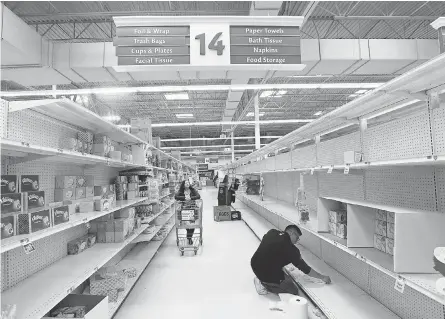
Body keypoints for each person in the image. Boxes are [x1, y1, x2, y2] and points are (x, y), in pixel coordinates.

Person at [251, 224, 331, 295]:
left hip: (255, 264)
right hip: (266, 274)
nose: (297, 241)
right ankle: (264, 284)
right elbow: (306, 269)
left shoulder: (272, 232)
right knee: (293, 290)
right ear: (291, 232)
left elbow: (270, 249)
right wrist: (322, 277)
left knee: (279, 266)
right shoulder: (291, 249)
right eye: (297, 238)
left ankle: (262, 277)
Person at [175, 179, 201, 245]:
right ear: (183, 185)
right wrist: (183, 198)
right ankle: (189, 237)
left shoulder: (192, 190)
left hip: (192, 209)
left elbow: (198, 196)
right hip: (184, 210)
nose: (187, 184)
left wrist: (191, 198)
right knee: (186, 223)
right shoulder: (181, 191)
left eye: (188, 183)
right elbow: (176, 196)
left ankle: (189, 237)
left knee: (192, 224)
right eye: (186, 183)